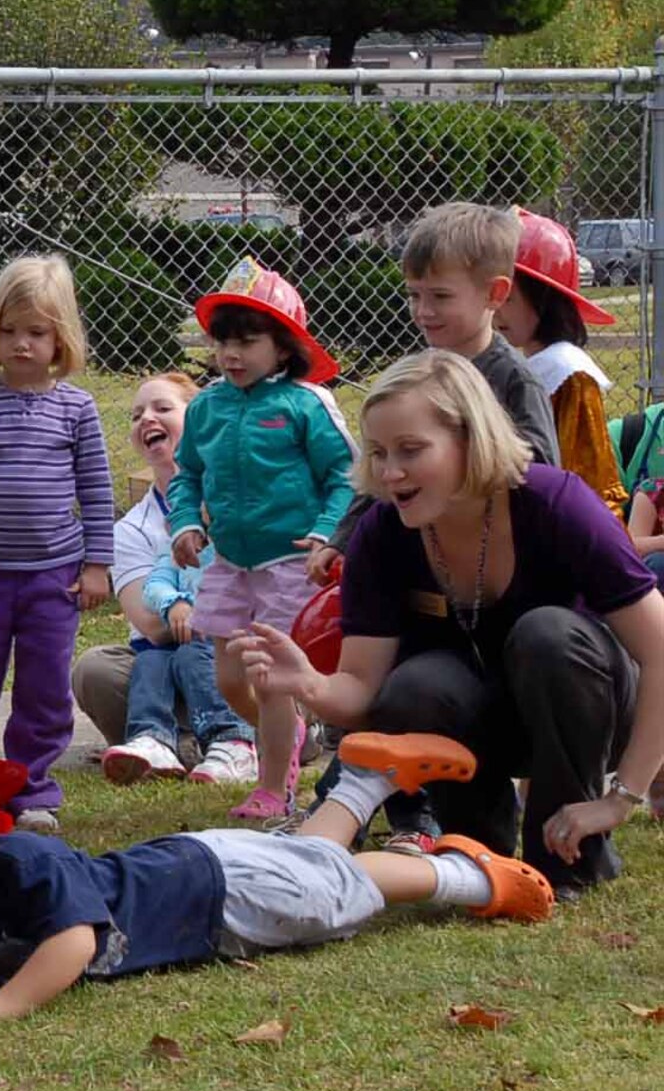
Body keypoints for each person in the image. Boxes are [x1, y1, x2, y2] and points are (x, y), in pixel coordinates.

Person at [0, 736, 551, 1030]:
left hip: (213, 884)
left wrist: (1, 1003)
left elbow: (75, 941)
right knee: (316, 864)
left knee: (335, 890)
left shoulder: (19, 858)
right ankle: (362, 783)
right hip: (207, 890)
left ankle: (462, 875)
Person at [235, 351, 664, 898]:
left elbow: (659, 651)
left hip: (589, 704)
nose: (390, 472)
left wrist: (620, 797)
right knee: (417, 685)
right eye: (379, 453)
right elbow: (365, 691)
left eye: (411, 451)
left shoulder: (554, 501)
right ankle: (477, 857)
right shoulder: (383, 532)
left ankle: (568, 858)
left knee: (547, 634)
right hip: (483, 719)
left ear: (470, 438)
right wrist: (308, 686)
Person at [309, 203, 561, 851]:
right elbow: (384, 469)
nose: (423, 310)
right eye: (415, 294)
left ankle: (546, 828)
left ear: (494, 295)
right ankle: (453, 825)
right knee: (410, 686)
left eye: (440, 295)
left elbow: (538, 475)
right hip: (431, 586)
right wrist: (341, 538)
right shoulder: (420, 372)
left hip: (502, 588)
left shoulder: (513, 379)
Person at [0, 256, 114, 833]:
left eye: (35, 332)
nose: (21, 344)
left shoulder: (77, 408)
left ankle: (31, 788)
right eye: (8, 332)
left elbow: (97, 490)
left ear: (60, 337)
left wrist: (97, 565)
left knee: (43, 688)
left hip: (53, 579)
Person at [169, 259, 356, 821]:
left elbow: (345, 477)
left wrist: (327, 533)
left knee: (270, 679)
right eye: (223, 341)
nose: (232, 354)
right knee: (230, 679)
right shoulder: (206, 407)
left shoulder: (306, 405)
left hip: (290, 563)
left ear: (284, 346)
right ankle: (291, 732)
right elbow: (187, 475)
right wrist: (185, 522)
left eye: (248, 342)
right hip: (229, 562)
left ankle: (275, 788)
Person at [72, 374, 205, 752]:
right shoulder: (131, 530)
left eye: (163, 408)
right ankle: (170, 742)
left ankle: (254, 734)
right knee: (96, 670)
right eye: (136, 415)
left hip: (233, 659)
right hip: (164, 671)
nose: (147, 418)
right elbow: (151, 624)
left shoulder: (241, 496)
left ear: (200, 420)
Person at [494, 208, 626, 513]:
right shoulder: (514, 362)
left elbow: (591, 481)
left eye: (508, 298)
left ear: (544, 298)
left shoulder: (568, 372)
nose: (496, 310)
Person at [99, 539, 259, 785]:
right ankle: (153, 739)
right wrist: (173, 602)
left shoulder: (243, 541)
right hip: (181, 642)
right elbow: (156, 584)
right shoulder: (179, 548)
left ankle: (233, 741)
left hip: (229, 643)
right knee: (150, 659)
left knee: (193, 657)